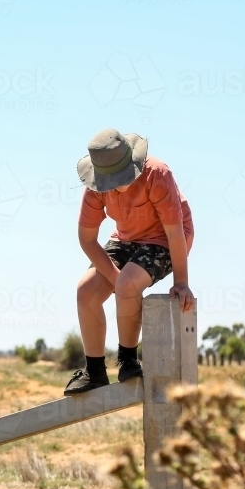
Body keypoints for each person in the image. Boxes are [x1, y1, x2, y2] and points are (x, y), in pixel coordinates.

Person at [64, 129, 195, 396]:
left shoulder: (157, 174)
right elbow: (87, 240)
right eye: (109, 181)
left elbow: (174, 232)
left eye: (121, 178)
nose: (116, 186)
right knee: (85, 291)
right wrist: (115, 279)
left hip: (166, 239)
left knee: (128, 283)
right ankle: (95, 372)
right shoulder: (95, 188)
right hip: (125, 239)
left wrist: (181, 283)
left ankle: (128, 360)